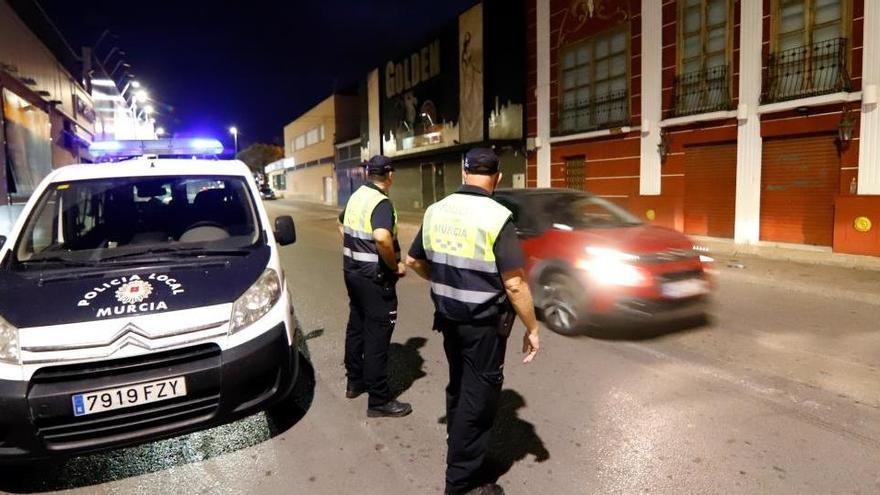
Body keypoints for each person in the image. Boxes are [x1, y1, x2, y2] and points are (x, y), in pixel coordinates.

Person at [406, 148, 540, 495]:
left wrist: (447, 280)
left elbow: (414, 260)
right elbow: (514, 283)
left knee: (459, 385)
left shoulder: (437, 210)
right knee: (478, 399)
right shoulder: (498, 216)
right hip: (483, 326)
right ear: (496, 177)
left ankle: (460, 447)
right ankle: (460, 484)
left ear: (464, 173)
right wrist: (533, 327)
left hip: (449, 320)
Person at [338, 155, 412, 418]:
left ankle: (354, 382)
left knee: (356, 325)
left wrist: (357, 251)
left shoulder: (357, 196)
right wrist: (394, 266)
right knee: (378, 335)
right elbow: (382, 238)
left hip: (352, 272)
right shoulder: (381, 202)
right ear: (389, 175)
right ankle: (379, 399)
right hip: (375, 278)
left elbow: (342, 224)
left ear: (369, 174)